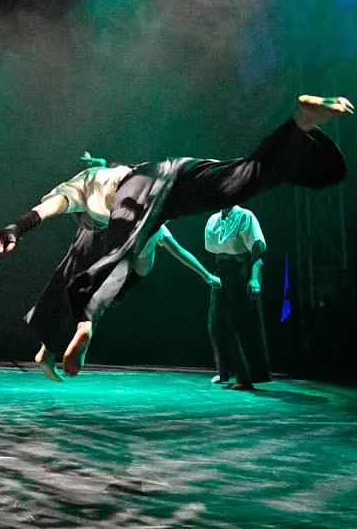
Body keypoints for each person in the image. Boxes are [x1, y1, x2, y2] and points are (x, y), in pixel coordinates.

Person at [0, 94, 353, 377]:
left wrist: (16, 228)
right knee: (239, 181)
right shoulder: (120, 190)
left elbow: (50, 208)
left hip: (140, 189)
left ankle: (85, 325)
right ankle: (300, 124)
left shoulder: (84, 190)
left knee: (120, 253)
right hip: (175, 172)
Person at [23, 152, 223, 381]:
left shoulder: (137, 196)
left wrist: (99, 168)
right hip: (124, 263)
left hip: (105, 237)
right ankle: (80, 333)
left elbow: (122, 177)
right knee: (96, 299)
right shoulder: (156, 226)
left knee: (78, 292)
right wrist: (207, 275)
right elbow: (181, 253)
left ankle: (48, 350)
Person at [204, 205, 271, 390]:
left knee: (237, 325)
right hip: (222, 271)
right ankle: (224, 371)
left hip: (242, 269)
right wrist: (215, 276)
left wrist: (254, 278)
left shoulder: (245, 216)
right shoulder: (213, 220)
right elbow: (218, 253)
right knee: (215, 323)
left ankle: (245, 377)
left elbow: (257, 250)